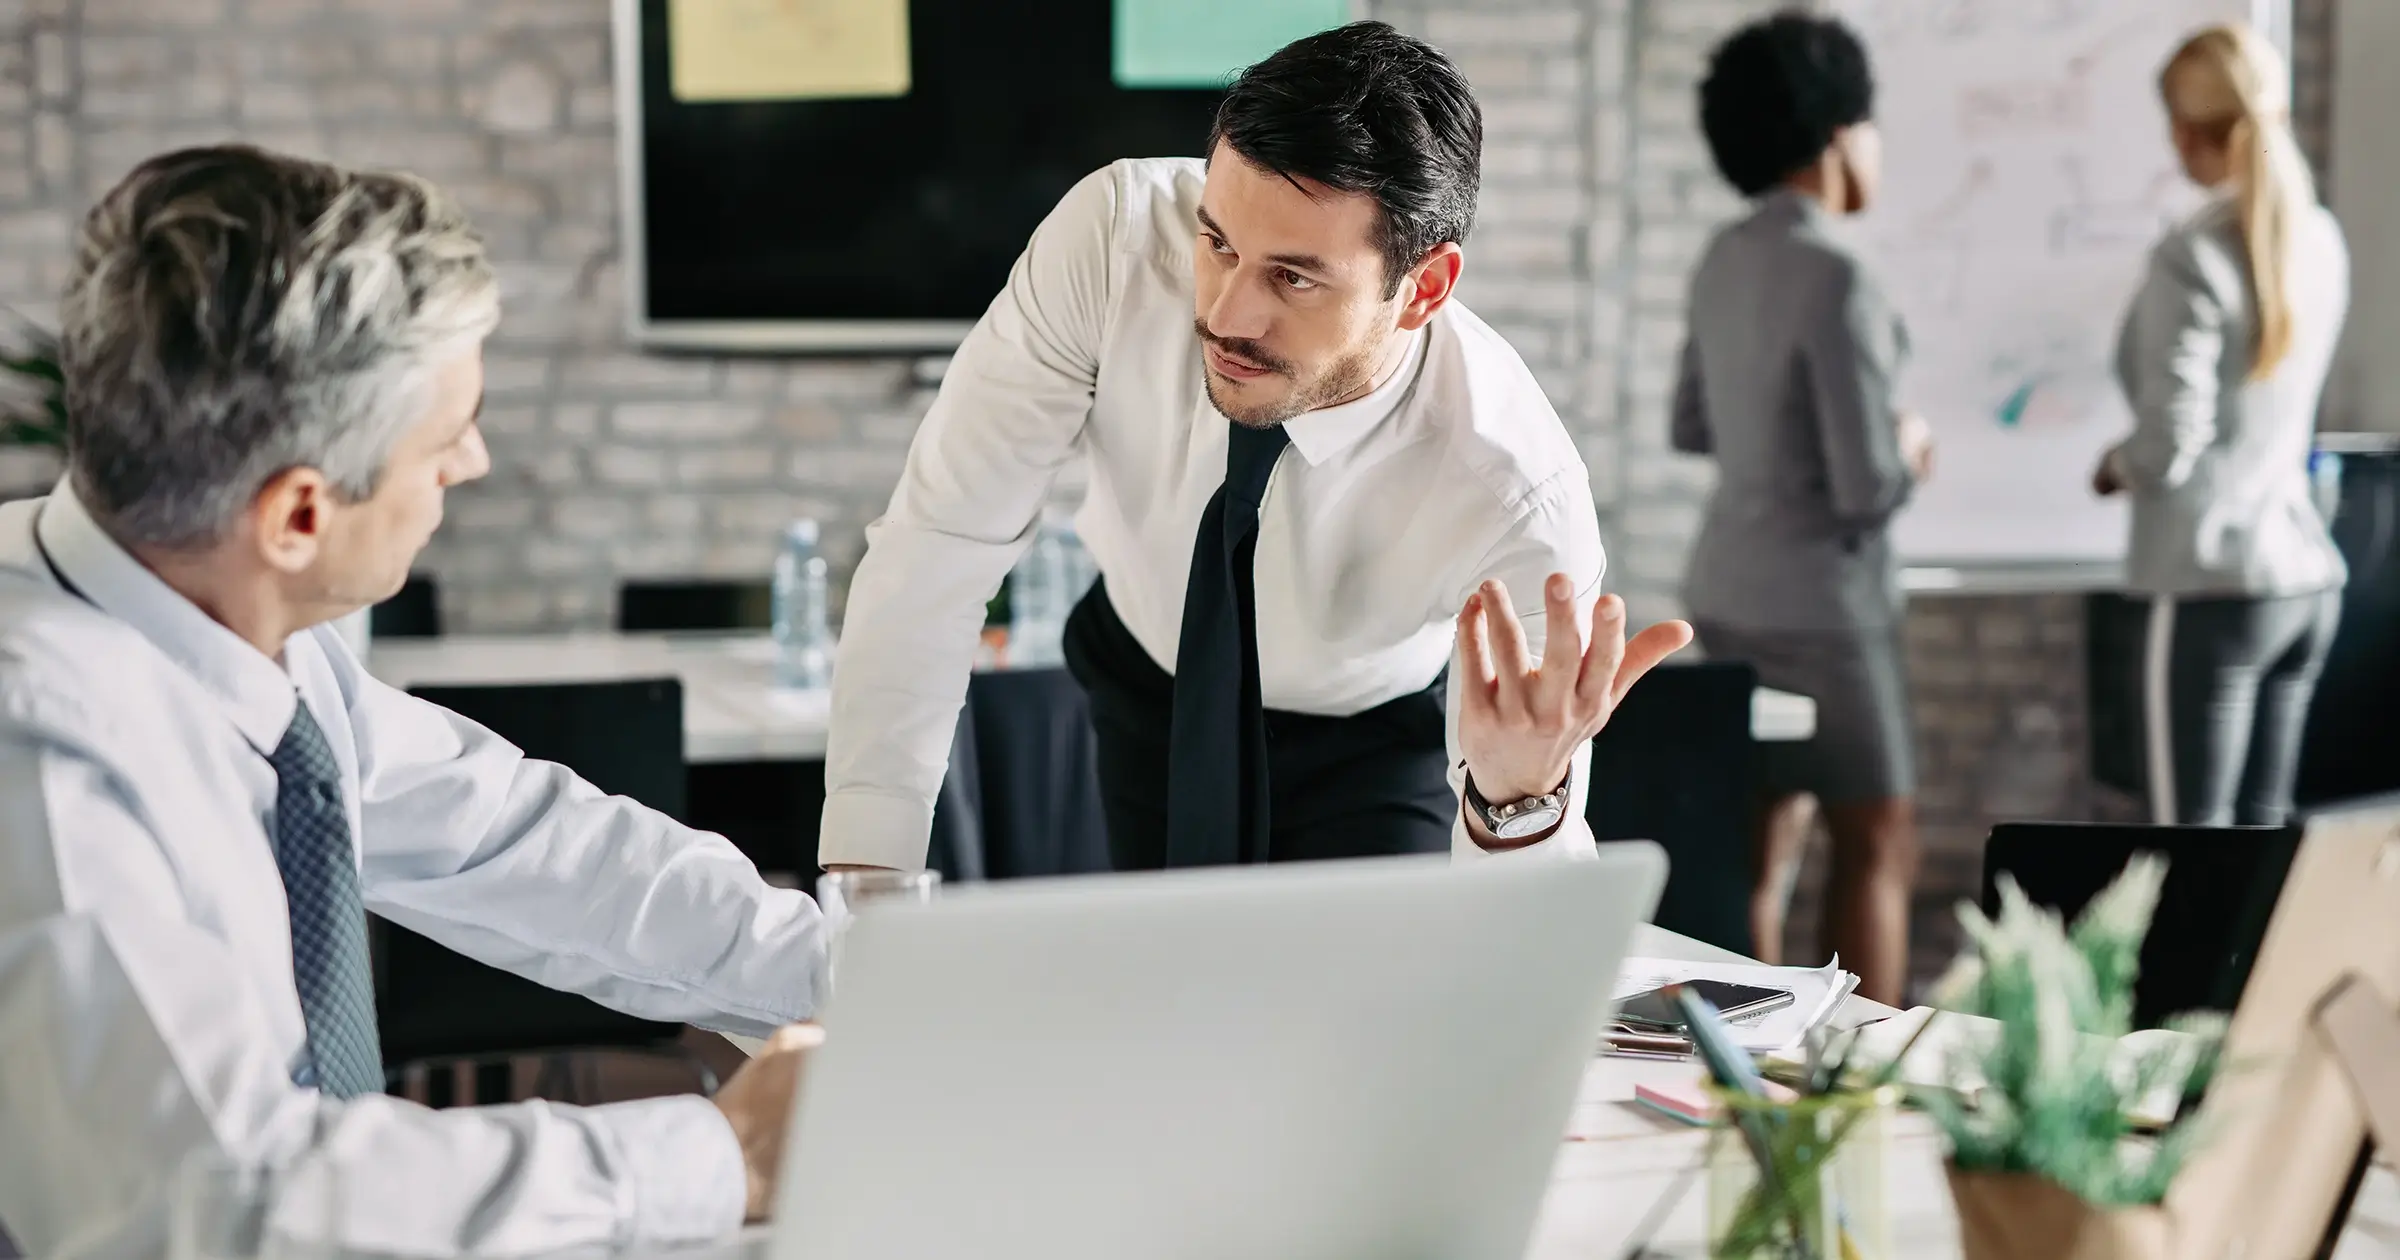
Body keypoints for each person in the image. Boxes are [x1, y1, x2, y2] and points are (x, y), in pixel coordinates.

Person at [0, 146, 823, 1260]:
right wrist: (722, 1160)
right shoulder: (44, 759)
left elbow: (514, 836)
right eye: (445, 439)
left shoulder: (238, 628)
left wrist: (872, 979)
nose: (472, 462)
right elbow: (234, 1200)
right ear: (298, 516)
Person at [820, 21, 1692, 874]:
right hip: (1146, 684)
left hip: (1371, 739)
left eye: (1294, 276)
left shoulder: (1518, 492)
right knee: (1160, 993)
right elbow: (940, 546)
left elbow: (1528, 902)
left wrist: (1511, 802)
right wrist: (868, 877)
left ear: (1422, 288)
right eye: (1219, 244)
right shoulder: (1113, 244)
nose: (1226, 316)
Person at [1670, 13, 1931, 1006]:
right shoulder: (1842, 275)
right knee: (1880, 836)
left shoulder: (1723, 258)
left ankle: (1745, 1065)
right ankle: (1863, 1078)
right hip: (1828, 612)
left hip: (1729, 593)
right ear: (1834, 135)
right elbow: (1867, 488)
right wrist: (1909, 444)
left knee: (1757, 846)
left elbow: (1693, 425)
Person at [2092, 24, 2348, 828]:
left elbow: (2169, 448)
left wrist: (2116, 465)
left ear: (2188, 130)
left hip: (2210, 588)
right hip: (2303, 581)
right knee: (2264, 849)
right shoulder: (2321, 237)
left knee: (2185, 851)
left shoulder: (2191, 256)